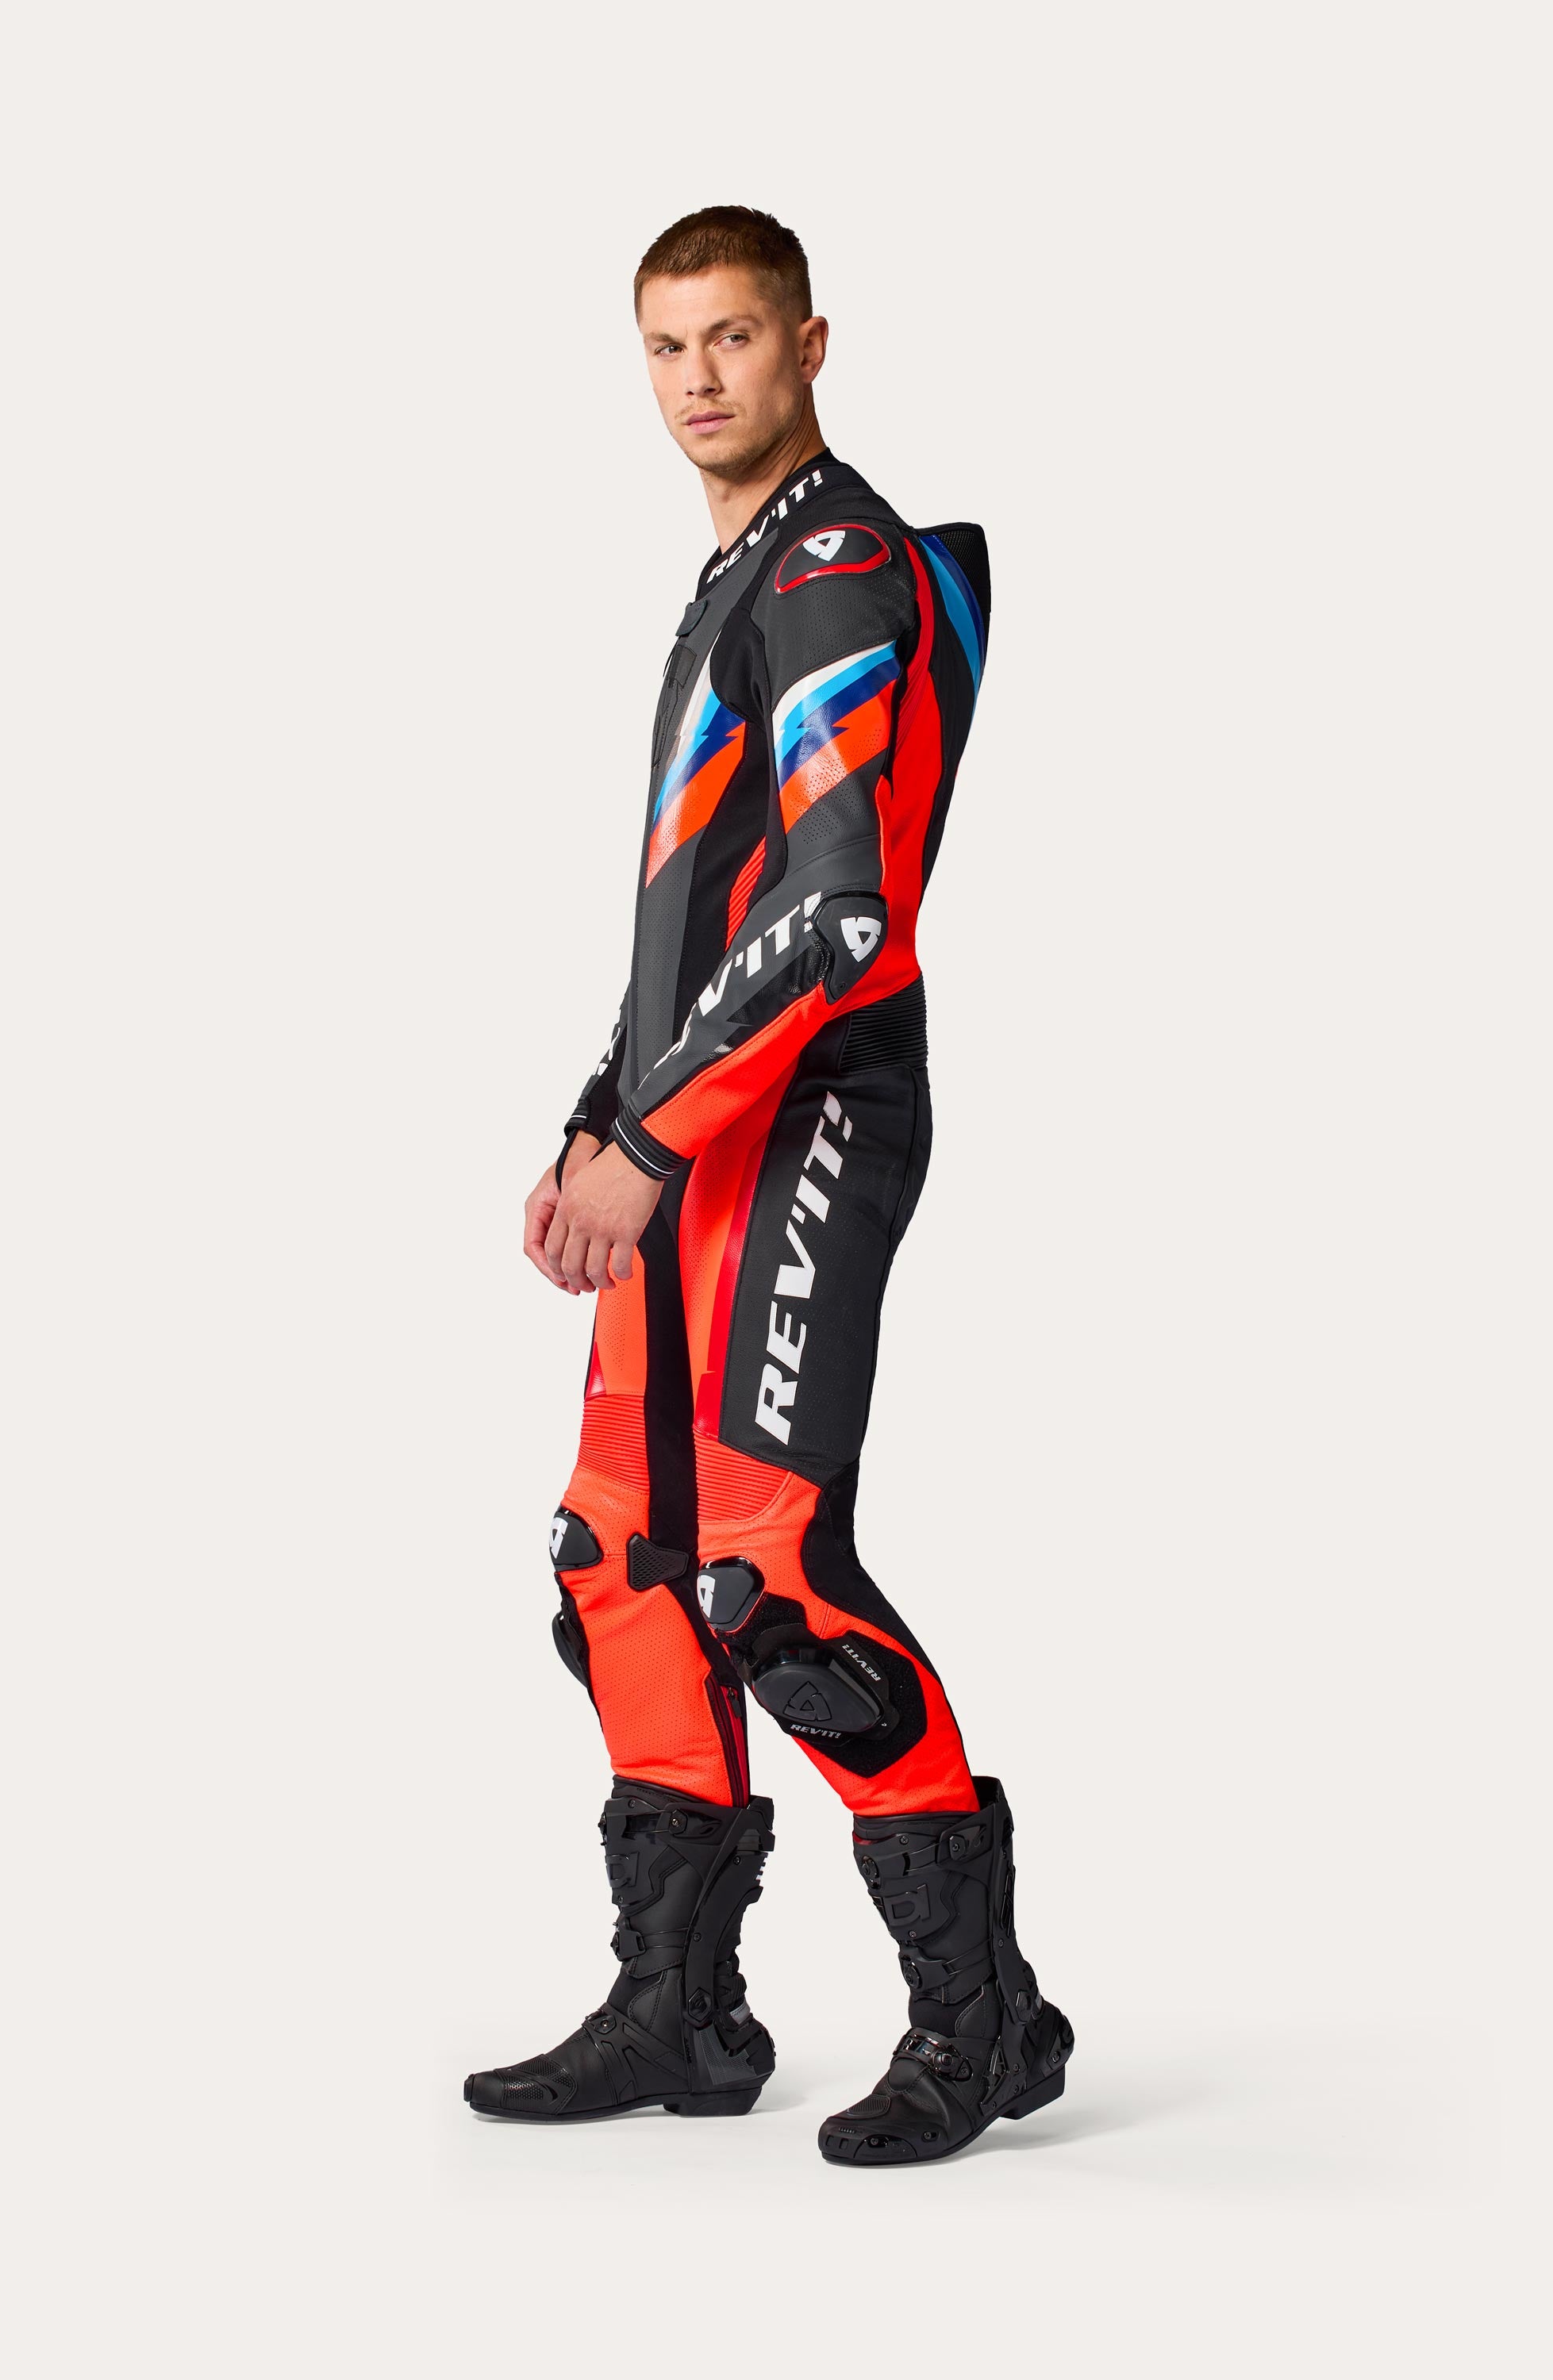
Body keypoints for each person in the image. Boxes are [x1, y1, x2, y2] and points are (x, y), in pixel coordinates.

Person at [463, 206, 1070, 2165]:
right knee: (619, 1560)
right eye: (665, 346)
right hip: (689, 1119)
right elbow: (703, 904)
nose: (697, 378)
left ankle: (983, 2022)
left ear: (810, 344)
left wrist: (654, 1139)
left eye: (732, 337)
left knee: (766, 1582)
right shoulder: (742, 568)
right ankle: (682, 2010)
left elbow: (838, 913)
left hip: (806, 1114)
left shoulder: (832, 568)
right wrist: (601, 1112)